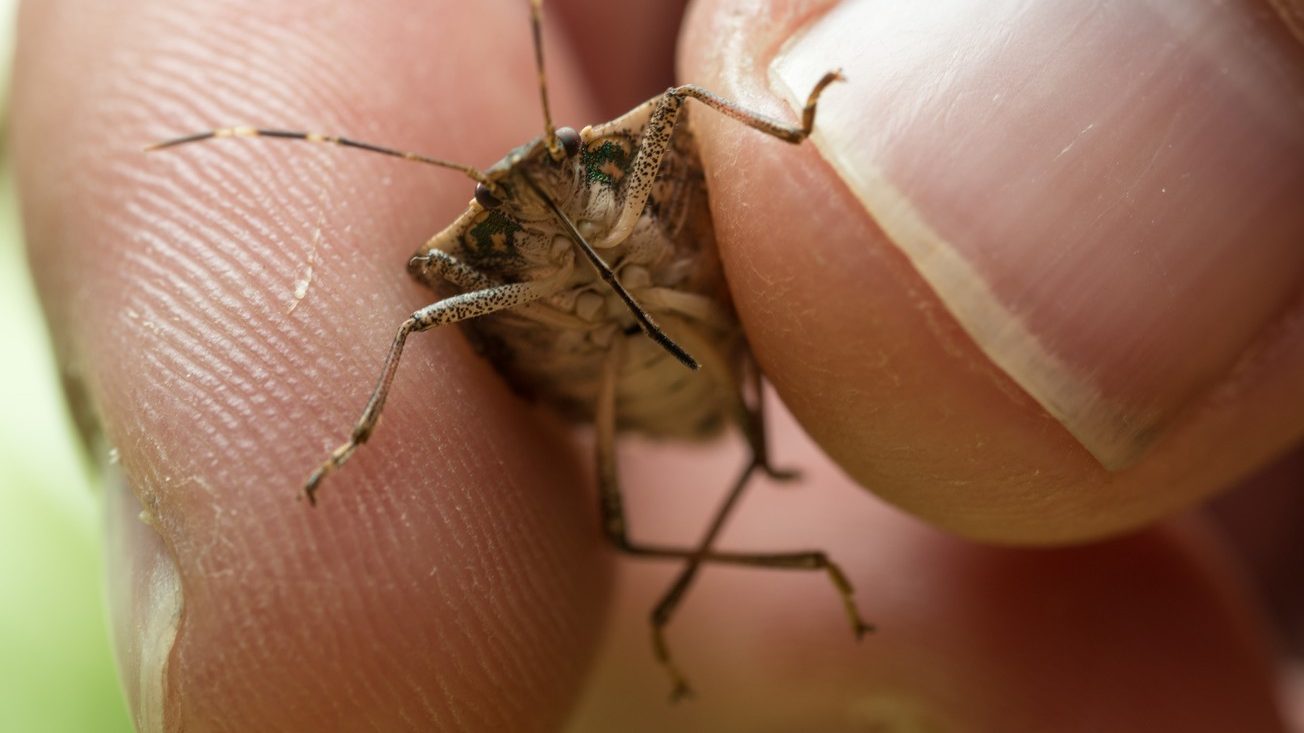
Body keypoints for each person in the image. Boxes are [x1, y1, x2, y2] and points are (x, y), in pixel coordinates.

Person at [13, 0, 1303, 730]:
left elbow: (684, 106)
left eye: (557, 176)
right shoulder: (495, 262)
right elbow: (415, 303)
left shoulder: (637, 156)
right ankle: (789, 567)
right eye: (522, 206)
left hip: (718, 337)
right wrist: (351, 445)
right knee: (622, 539)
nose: (546, 198)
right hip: (627, 387)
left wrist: (798, 130)